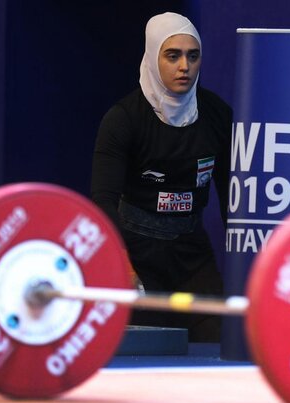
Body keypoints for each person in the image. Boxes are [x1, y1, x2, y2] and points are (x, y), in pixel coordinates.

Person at [91, 12, 232, 342]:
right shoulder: (123, 120)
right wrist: (120, 264)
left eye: (192, 56)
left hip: (192, 253)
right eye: (173, 55)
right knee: (144, 349)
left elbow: (231, 195)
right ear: (153, 57)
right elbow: (102, 200)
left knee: (218, 341)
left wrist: (247, 264)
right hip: (136, 253)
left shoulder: (217, 114)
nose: (184, 66)